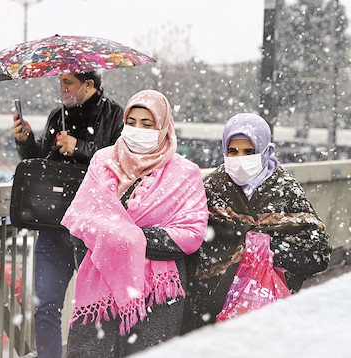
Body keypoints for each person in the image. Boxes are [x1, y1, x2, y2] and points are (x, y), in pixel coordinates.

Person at [60, 89, 209, 358]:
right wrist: (132, 240)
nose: (137, 129)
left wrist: (125, 238)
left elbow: (190, 235)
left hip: (156, 297)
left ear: (163, 127)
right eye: (132, 122)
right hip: (100, 288)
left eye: (147, 124)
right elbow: (81, 224)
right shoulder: (102, 162)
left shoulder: (185, 174)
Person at [182, 113, 332, 332]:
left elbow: (318, 254)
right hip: (213, 315)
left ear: (266, 152)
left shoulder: (285, 190)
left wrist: (268, 250)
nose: (240, 159)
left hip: (271, 313)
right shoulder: (213, 188)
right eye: (233, 151)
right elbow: (193, 242)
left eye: (249, 152)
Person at [12, 71, 124, 357]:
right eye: (60, 82)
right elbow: (42, 164)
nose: (62, 88)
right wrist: (27, 142)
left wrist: (81, 148)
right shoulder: (56, 115)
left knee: (93, 310)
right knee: (46, 307)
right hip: (54, 224)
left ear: (90, 85)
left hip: (92, 229)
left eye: (69, 83)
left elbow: (121, 165)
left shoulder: (115, 116)